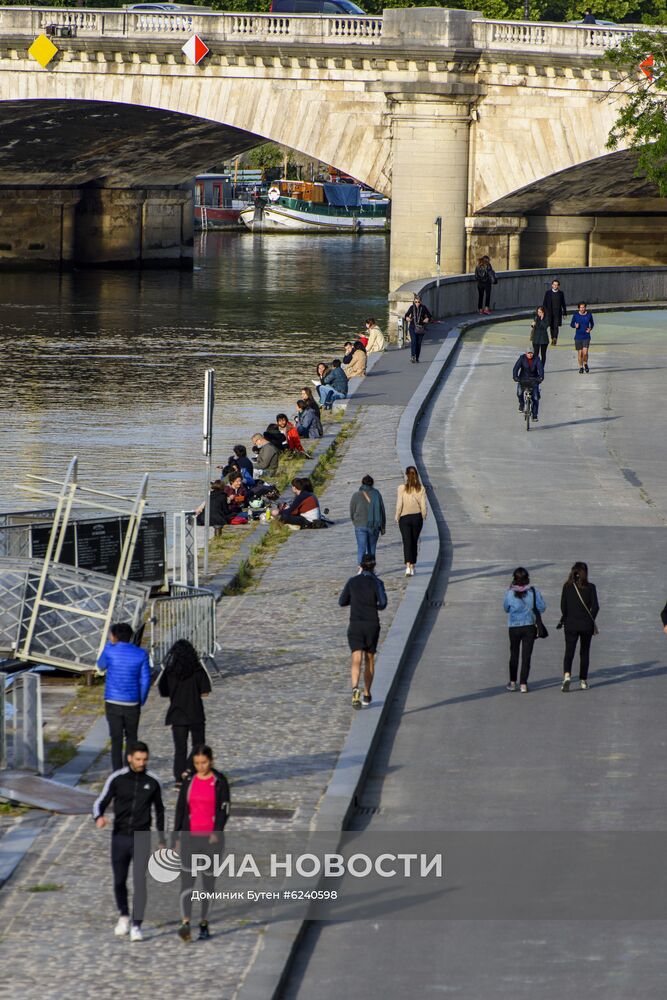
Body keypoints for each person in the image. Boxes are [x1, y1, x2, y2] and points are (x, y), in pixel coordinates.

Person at [93, 741, 165, 942]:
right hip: (120, 836)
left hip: (142, 836)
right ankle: (124, 915)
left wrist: (161, 838)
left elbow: (160, 810)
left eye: (145, 759)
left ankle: (137, 924)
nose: (142, 763)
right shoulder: (117, 779)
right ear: (130, 758)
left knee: (140, 882)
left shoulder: (153, 781)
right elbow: (100, 802)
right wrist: (98, 817)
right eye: (138, 759)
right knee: (119, 880)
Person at [174, 745, 230, 943]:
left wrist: (217, 831)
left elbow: (224, 809)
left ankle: (204, 922)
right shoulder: (189, 780)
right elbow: (180, 809)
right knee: (187, 881)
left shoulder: (220, 781)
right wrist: (176, 837)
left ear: (211, 761)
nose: (201, 767)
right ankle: (186, 922)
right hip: (190, 837)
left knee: (207, 882)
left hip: (211, 840)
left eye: (204, 763)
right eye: (197, 763)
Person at [97, 623, 151, 773]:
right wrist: (141, 699)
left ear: (114, 636)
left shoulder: (110, 650)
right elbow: (145, 679)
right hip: (132, 702)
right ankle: (130, 770)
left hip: (113, 701)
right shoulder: (141, 653)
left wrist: (109, 645)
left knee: (116, 739)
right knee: (132, 738)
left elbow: (100, 665)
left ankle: (117, 772)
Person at [158, 640, 212, 786]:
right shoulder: (198, 670)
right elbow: (205, 692)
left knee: (180, 749)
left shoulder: (169, 672)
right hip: (195, 713)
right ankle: (189, 770)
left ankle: (178, 778)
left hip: (177, 713)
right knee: (198, 745)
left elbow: (163, 691)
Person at [338, 554, 387, 709]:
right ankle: (366, 694)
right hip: (372, 624)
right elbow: (383, 603)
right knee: (369, 660)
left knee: (356, 658)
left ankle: (354, 689)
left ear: (360, 565)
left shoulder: (352, 581)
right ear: (374, 566)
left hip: (356, 624)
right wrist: (374, 606)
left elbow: (342, 601)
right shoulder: (377, 582)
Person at [503, 567, 547, 694]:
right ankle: (523, 684)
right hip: (529, 626)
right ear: (527, 579)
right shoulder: (533, 591)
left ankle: (512, 682)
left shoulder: (510, 592)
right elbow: (542, 607)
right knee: (526, 656)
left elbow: (505, 608)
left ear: (514, 579)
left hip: (514, 627)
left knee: (514, 654)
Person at [559, 561, 599, 691]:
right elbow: (596, 607)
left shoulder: (567, 587)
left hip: (570, 624)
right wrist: (590, 618)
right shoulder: (591, 587)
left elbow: (563, 606)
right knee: (584, 652)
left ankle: (567, 676)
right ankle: (583, 680)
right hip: (586, 625)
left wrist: (566, 618)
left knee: (569, 651)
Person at [395, 465, 427, 576]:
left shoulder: (401, 488)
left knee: (407, 541)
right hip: (417, 517)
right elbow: (423, 505)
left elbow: (399, 504)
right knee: (414, 541)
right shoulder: (421, 488)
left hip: (404, 518)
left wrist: (397, 516)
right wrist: (424, 515)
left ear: (406, 475)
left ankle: (408, 566)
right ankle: (413, 565)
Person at [350, 474, 386, 566]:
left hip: (360, 525)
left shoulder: (356, 495)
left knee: (361, 547)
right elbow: (382, 510)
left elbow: (352, 511)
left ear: (362, 483)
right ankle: (371, 568)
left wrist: (355, 522)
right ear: (372, 483)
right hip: (374, 525)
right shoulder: (377, 494)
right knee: (372, 548)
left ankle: (360, 567)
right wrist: (383, 526)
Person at [513, 347, 544, 421]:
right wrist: (515, 377)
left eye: (531, 353)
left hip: (534, 380)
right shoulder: (522, 358)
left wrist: (541, 377)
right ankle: (522, 404)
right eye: (528, 353)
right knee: (519, 393)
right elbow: (516, 368)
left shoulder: (537, 359)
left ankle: (535, 415)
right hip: (523, 379)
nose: (530, 355)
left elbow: (540, 369)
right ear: (525, 353)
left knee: (536, 398)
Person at [404, 295, 432, 363]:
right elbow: (406, 315)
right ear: (414, 301)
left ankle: (417, 357)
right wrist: (407, 318)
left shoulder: (423, 308)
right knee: (414, 341)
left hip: (421, 328)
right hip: (412, 327)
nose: (417, 303)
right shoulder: (411, 307)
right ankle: (413, 356)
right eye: (415, 302)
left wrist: (427, 319)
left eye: (418, 302)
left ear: (421, 302)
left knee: (418, 343)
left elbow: (429, 316)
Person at [570, 301, 594, 373]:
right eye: (581, 307)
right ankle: (581, 367)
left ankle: (585, 364)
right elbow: (571, 324)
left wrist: (590, 328)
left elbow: (592, 323)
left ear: (585, 308)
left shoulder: (589, 315)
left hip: (586, 336)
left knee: (585, 353)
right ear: (578, 308)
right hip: (578, 337)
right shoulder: (576, 315)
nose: (582, 309)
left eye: (583, 307)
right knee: (580, 353)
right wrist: (575, 325)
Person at [543, 279, 567, 346]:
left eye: (556, 285)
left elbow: (563, 303)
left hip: (558, 313)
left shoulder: (561, 293)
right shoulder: (548, 293)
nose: (555, 286)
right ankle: (552, 338)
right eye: (554, 285)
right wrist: (543, 312)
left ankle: (555, 338)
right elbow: (544, 303)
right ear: (552, 285)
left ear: (558, 286)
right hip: (549, 313)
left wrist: (564, 313)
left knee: (556, 326)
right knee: (551, 326)